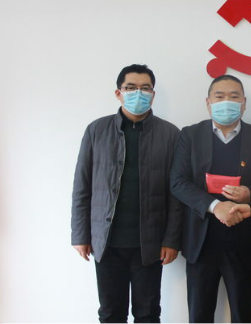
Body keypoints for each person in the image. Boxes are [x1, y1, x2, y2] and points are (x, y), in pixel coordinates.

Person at [71, 64, 183, 323]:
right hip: (106, 241)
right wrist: (80, 234)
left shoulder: (170, 134)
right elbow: (82, 186)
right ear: (118, 93)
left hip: (150, 243)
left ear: (153, 94)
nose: (138, 93)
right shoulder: (97, 130)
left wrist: (172, 240)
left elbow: (176, 194)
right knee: (111, 313)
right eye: (131, 88)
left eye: (145, 88)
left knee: (148, 313)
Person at [170, 75, 251, 323]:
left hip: (244, 243)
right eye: (219, 96)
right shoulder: (190, 135)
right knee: (199, 316)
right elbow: (178, 182)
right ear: (208, 103)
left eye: (234, 96)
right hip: (201, 243)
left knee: (244, 316)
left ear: (244, 103)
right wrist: (215, 206)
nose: (226, 101)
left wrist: (249, 193)